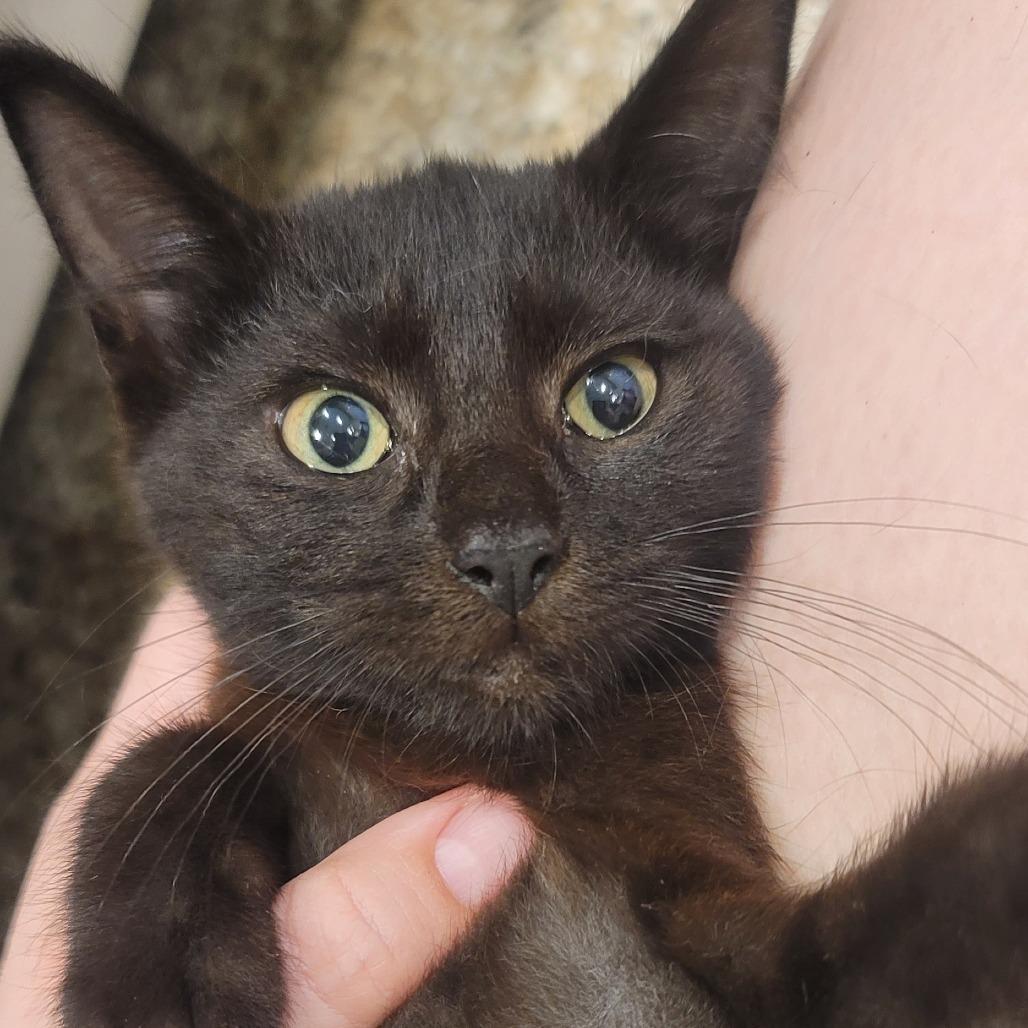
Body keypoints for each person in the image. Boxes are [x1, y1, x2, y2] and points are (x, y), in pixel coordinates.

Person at [3, 0, 1027, 1021]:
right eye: (338, 432)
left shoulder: (664, 747)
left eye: (608, 397)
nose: (500, 537)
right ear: (159, 358)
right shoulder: (235, 781)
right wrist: (174, 804)